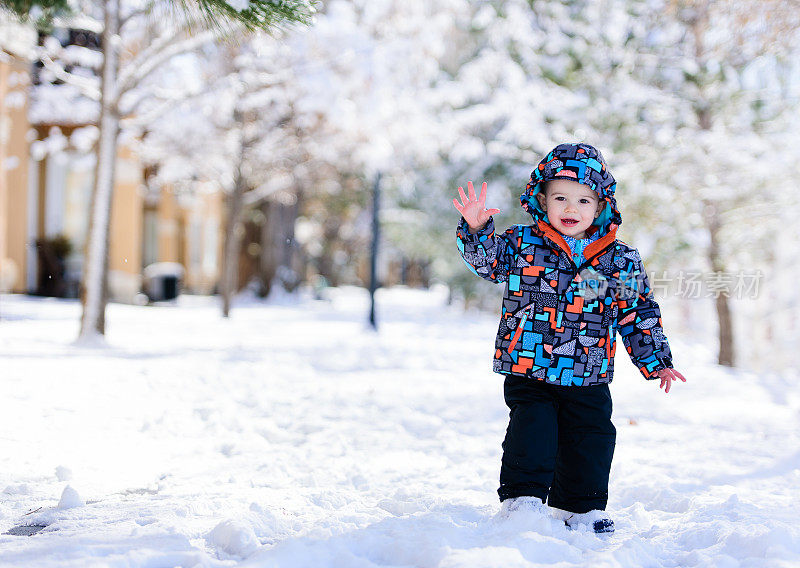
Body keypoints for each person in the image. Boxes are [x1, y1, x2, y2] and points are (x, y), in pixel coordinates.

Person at [453, 142, 686, 534]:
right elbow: (487, 263)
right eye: (560, 197)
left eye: (583, 199)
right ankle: (522, 500)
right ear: (541, 199)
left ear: (601, 207)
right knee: (533, 427)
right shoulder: (522, 245)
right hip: (530, 363)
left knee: (591, 437)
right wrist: (477, 229)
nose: (570, 208)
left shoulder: (618, 261)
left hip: (588, 369)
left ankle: (581, 508)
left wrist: (656, 359)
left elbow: (636, 311)